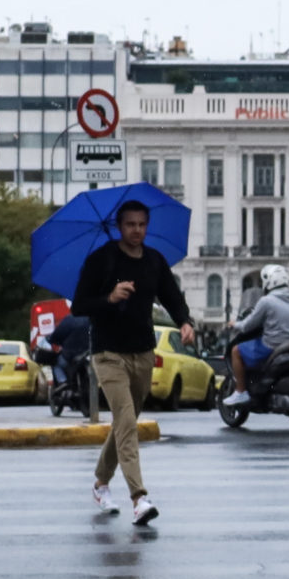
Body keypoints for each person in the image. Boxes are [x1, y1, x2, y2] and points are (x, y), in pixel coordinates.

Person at [71, 198, 194, 525]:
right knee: (125, 421)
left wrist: (185, 322)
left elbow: (172, 296)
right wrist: (109, 298)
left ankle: (100, 483)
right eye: (130, 224)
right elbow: (79, 305)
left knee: (124, 423)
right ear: (119, 226)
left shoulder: (154, 260)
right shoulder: (102, 260)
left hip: (143, 352)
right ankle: (139, 497)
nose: (136, 230)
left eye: (141, 224)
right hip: (108, 352)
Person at [223, 263, 289, 409]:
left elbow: (247, 325)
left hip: (273, 346)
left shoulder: (266, 301)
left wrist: (234, 324)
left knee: (236, 351)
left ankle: (240, 391)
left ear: (269, 281)